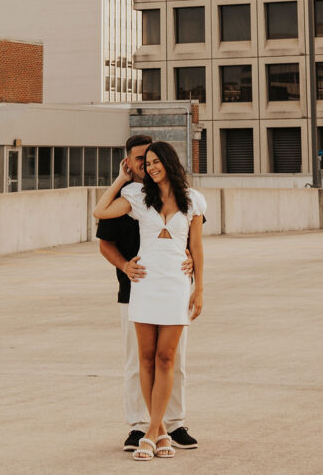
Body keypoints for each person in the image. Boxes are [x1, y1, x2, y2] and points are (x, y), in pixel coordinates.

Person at [94, 140, 206, 462]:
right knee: (143, 359)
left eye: (156, 161)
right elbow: (100, 211)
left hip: (175, 287)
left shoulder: (193, 201)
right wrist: (119, 179)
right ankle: (154, 432)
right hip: (142, 286)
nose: (151, 167)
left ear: (169, 162)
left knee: (168, 359)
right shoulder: (138, 198)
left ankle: (159, 429)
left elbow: (196, 248)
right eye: (146, 162)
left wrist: (199, 289)